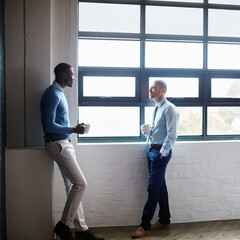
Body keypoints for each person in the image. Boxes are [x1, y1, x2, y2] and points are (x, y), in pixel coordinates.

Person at [40, 63, 104, 240]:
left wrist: (73, 129)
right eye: (72, 75)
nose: (74, 78)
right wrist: (73, 129)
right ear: (63, 75)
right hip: (57, 144)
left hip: (64, 143)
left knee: (72, 187)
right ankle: (63, 225)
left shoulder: (59, 92)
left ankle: (82, 231)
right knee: (81, 184)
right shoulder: (52, 94)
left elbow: (58, 122)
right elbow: (48, 125)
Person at [132, 80, 179, 238]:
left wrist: (163, 152)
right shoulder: (157, 108)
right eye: (150, 87)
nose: (149, 90)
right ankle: (165, 219)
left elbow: (172, 135)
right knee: (160, 187)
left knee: (153, 188)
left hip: (160, 153)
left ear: (162, 90)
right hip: (151, 150)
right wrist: (148, 133)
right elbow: (160, 131)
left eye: (153, 88)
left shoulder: (170, 108)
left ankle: (144, 225)